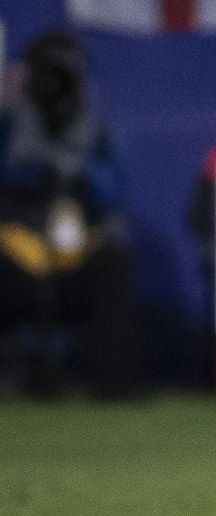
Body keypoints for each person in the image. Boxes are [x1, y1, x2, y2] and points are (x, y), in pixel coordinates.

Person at [0, 30, 141, 399]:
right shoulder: (10, 127)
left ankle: (115, 383)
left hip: (75, 255)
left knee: (115, 260)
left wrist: (77, 173)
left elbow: (112, 195)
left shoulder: (96, 133)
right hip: (19, 253)